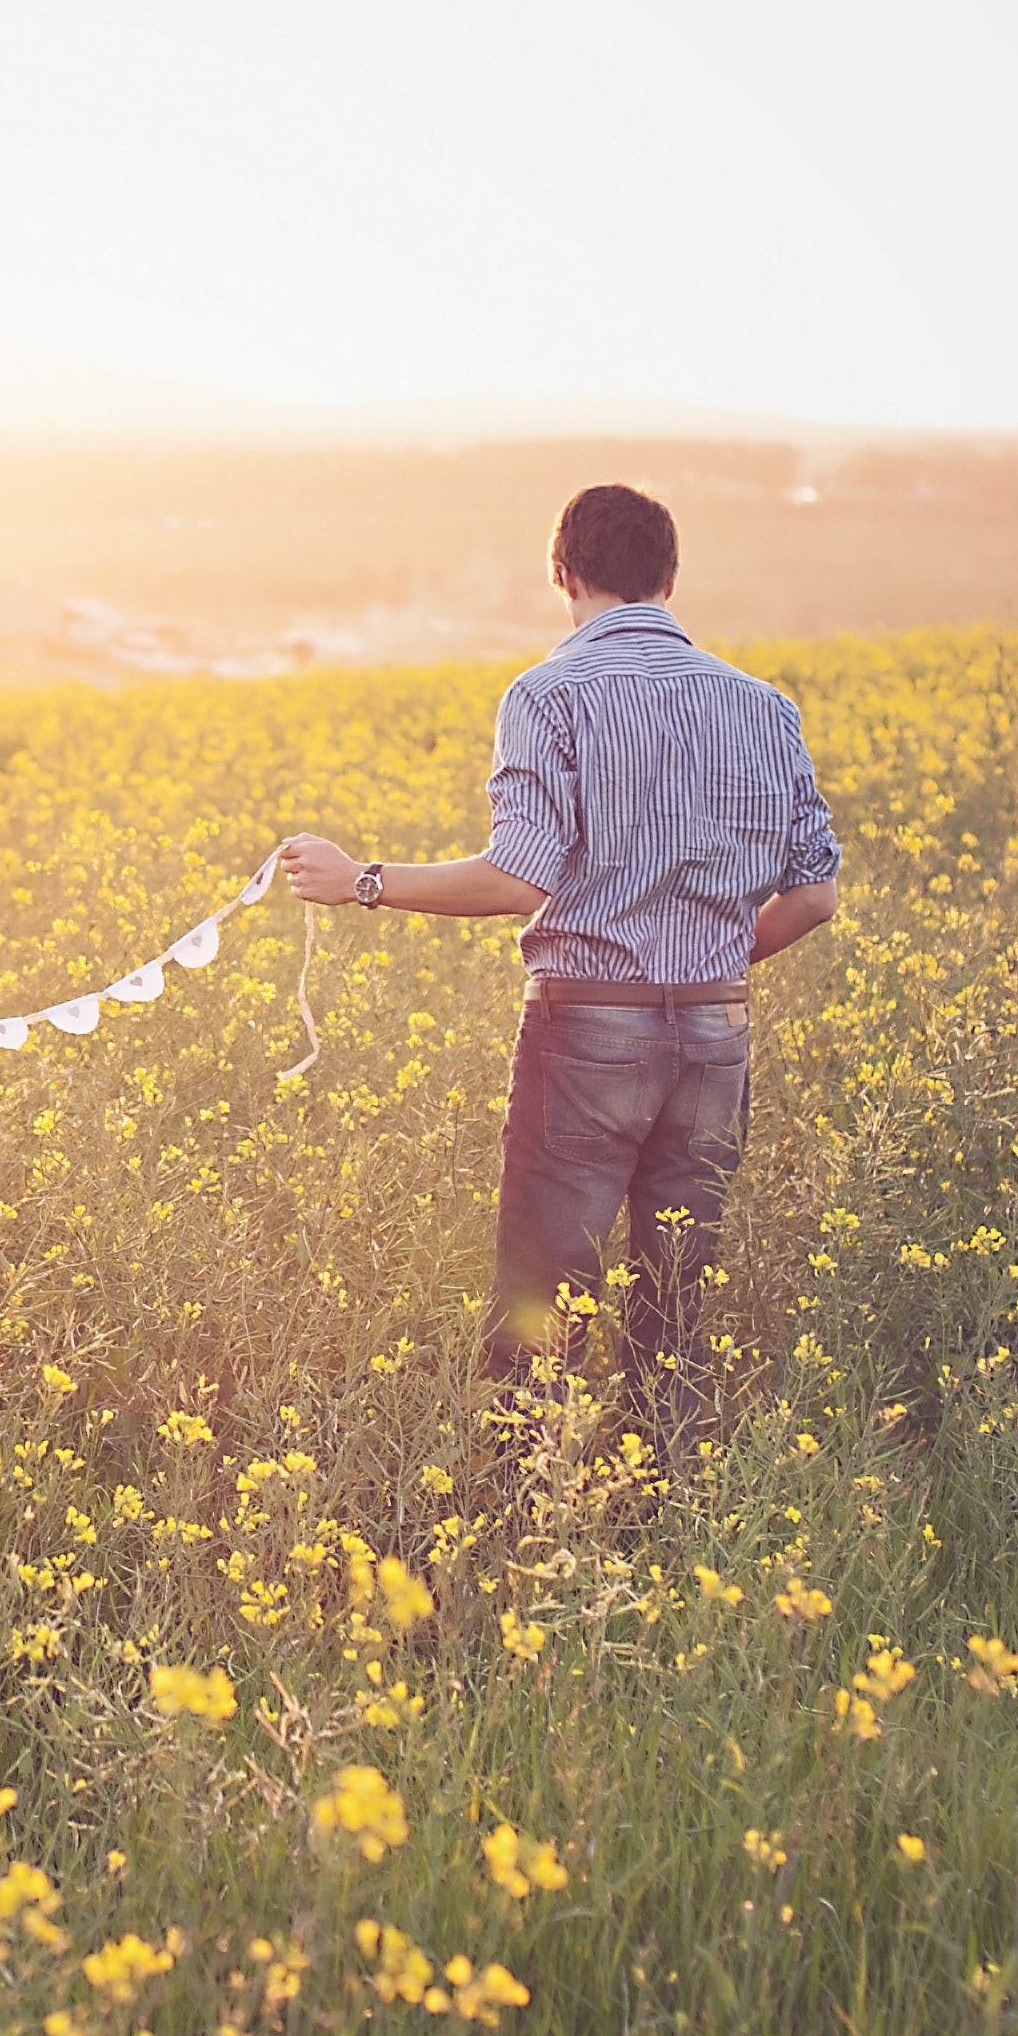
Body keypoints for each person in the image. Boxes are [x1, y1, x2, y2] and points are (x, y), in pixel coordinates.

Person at [280, 483, 839, 1458]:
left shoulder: (549, 695)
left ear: (563, 574)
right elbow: (816, 895)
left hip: (588, 1036)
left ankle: (523, 1542)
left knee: (545, 1308)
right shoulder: (764, 706)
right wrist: (705, 959)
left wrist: (357, 879)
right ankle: (658, 1535)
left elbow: (518, 875)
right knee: (674, 1309)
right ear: (668, 578)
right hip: (716, 1037)